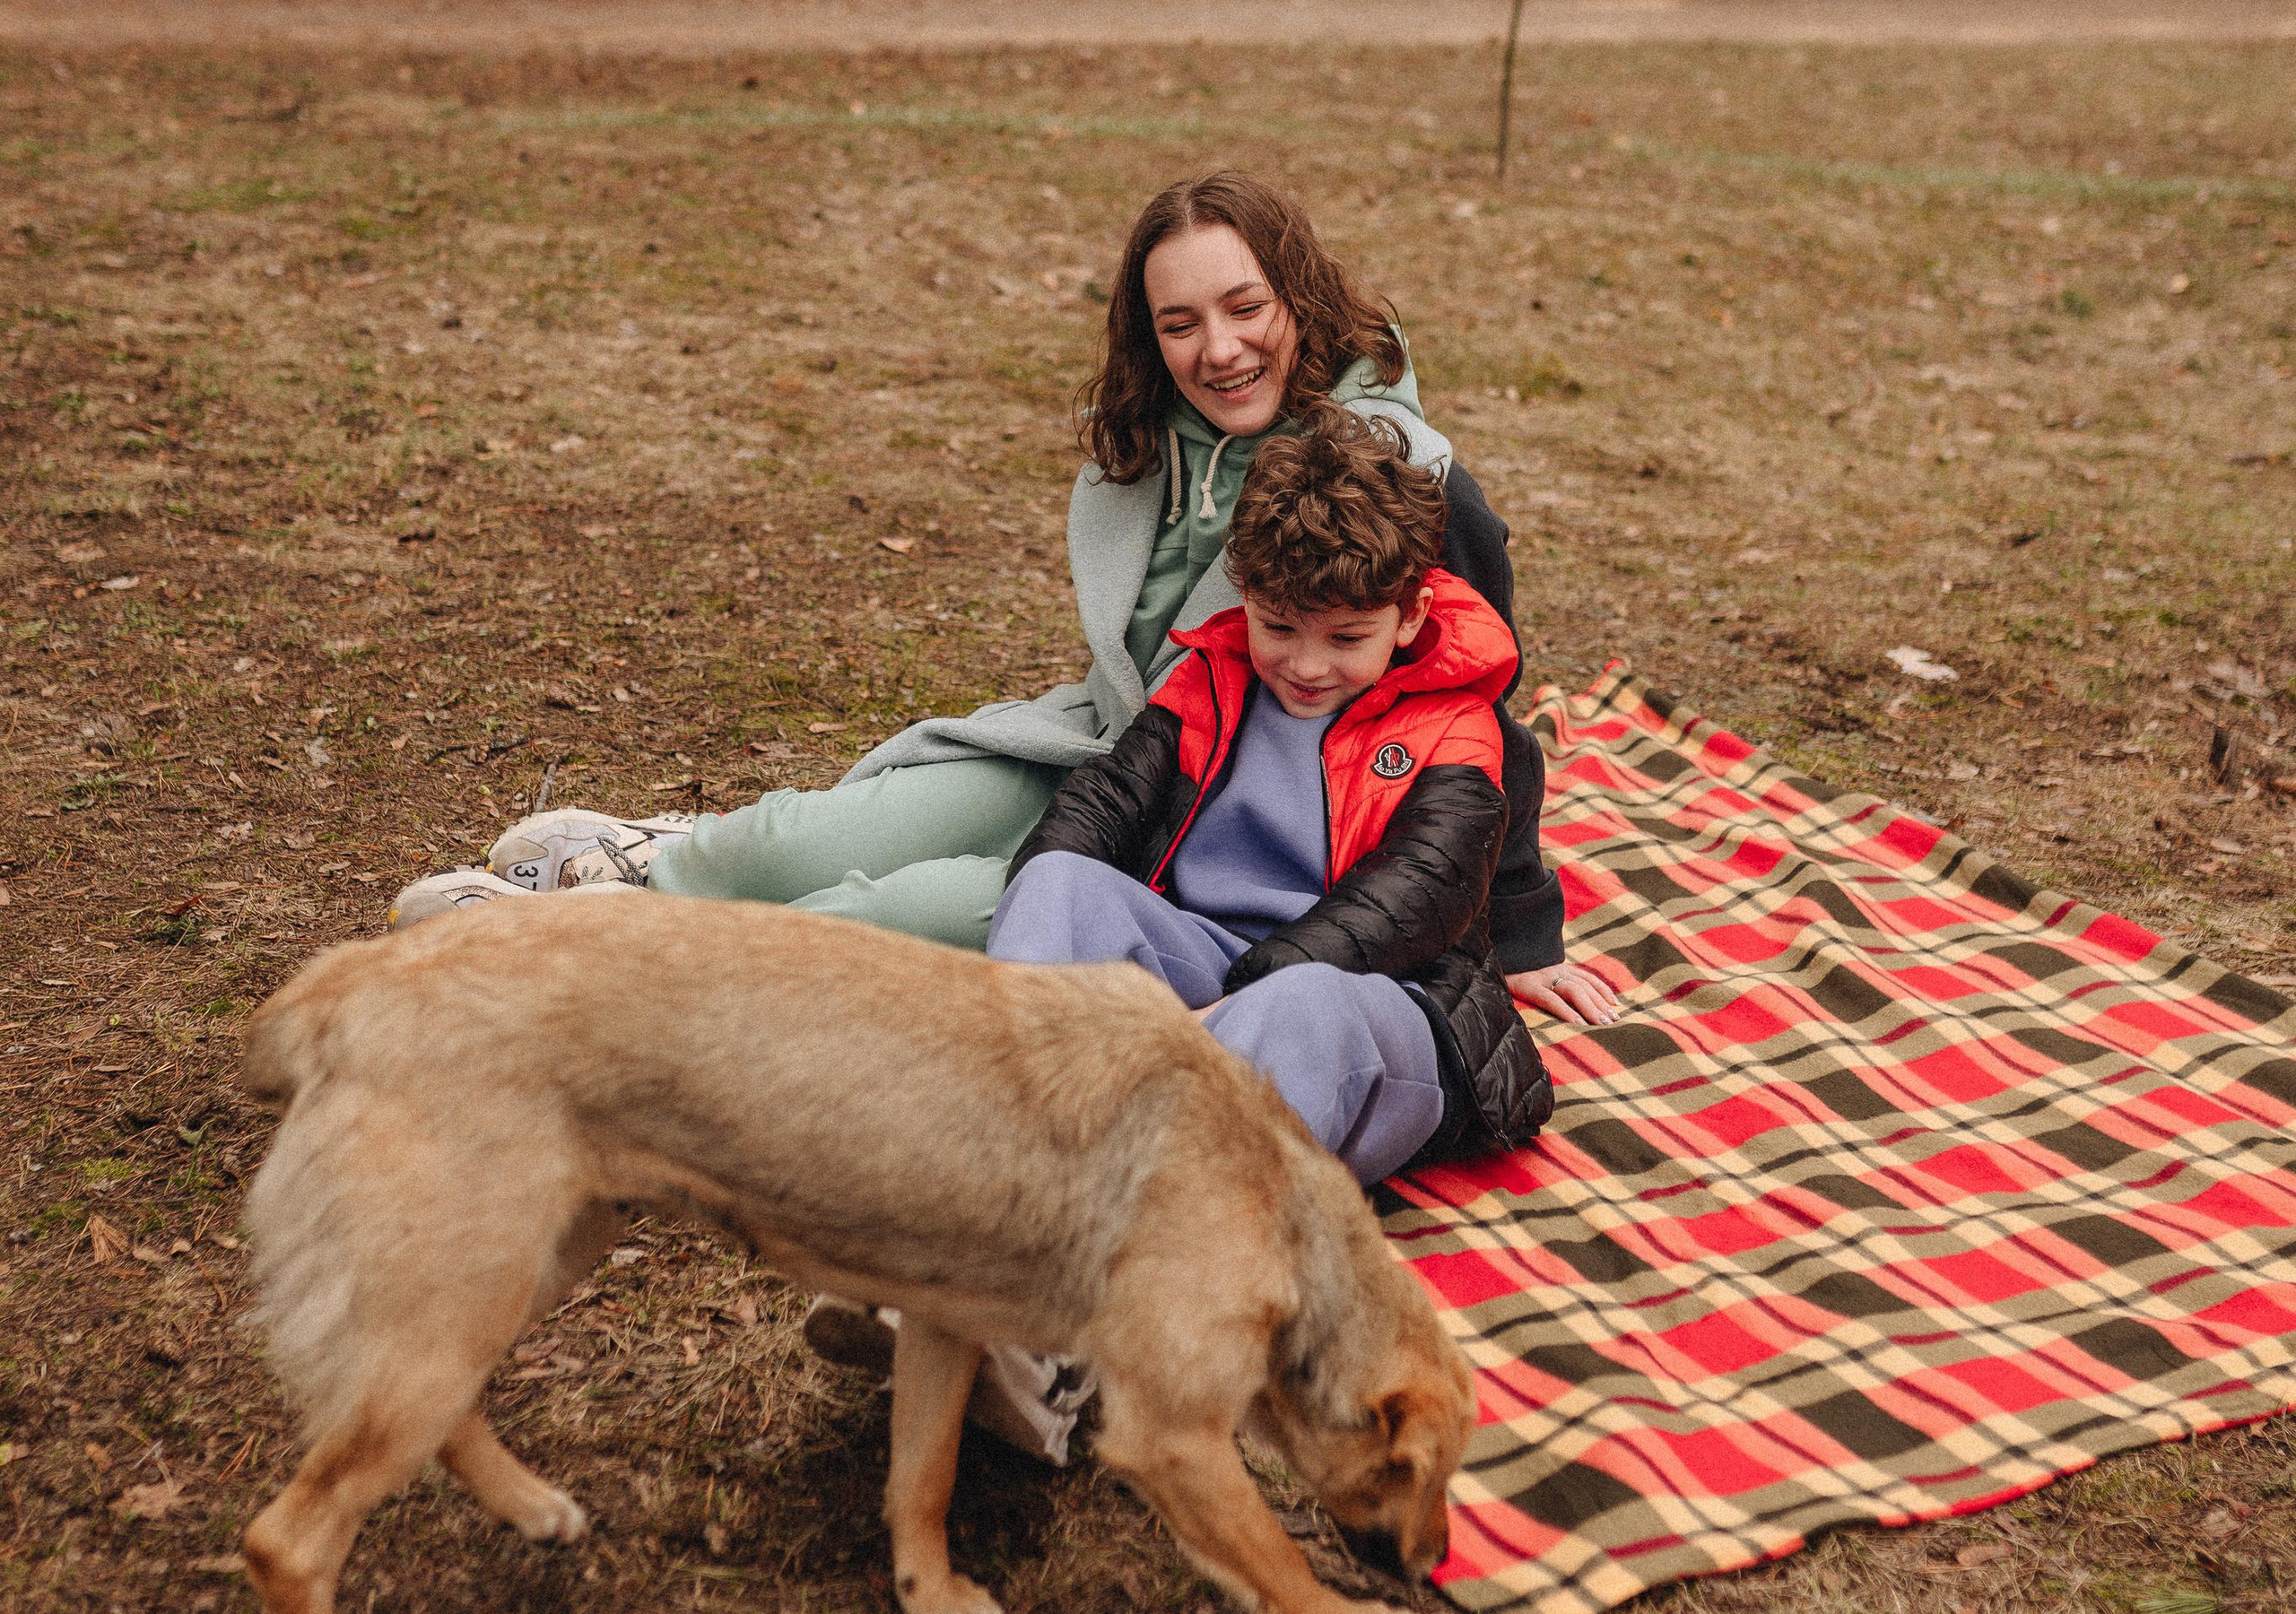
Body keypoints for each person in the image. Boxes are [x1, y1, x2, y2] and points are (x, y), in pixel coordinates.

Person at [389, 171, 1617, 1051]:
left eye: (1245, 307)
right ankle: (649, 862)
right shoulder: (1163, 440)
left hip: (1208, 833)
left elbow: (1480, 699)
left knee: (888, 916)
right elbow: (1137, 670)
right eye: (1179, 322)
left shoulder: (1391, 473)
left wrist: (1520, 929)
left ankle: (577, 961)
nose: (1221, 348)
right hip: (1110, 744)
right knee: (805, 837)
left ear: (1296, 293)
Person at [987, 411, 1565, 1184]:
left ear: (1410, 616)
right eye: (1280, 625)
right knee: (1057, 881)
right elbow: (1104, 802)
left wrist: (1236, 1004)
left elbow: (1423, 892)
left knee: (1297, 1010)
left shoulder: (1454, 723)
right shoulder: (1213, 676)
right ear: (1247, 592)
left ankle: (1171, 1207)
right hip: (1210, 955)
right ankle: (1011, 1127)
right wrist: (1051, 897)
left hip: (1374, 999)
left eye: (1346, 637)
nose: (1306, 663)